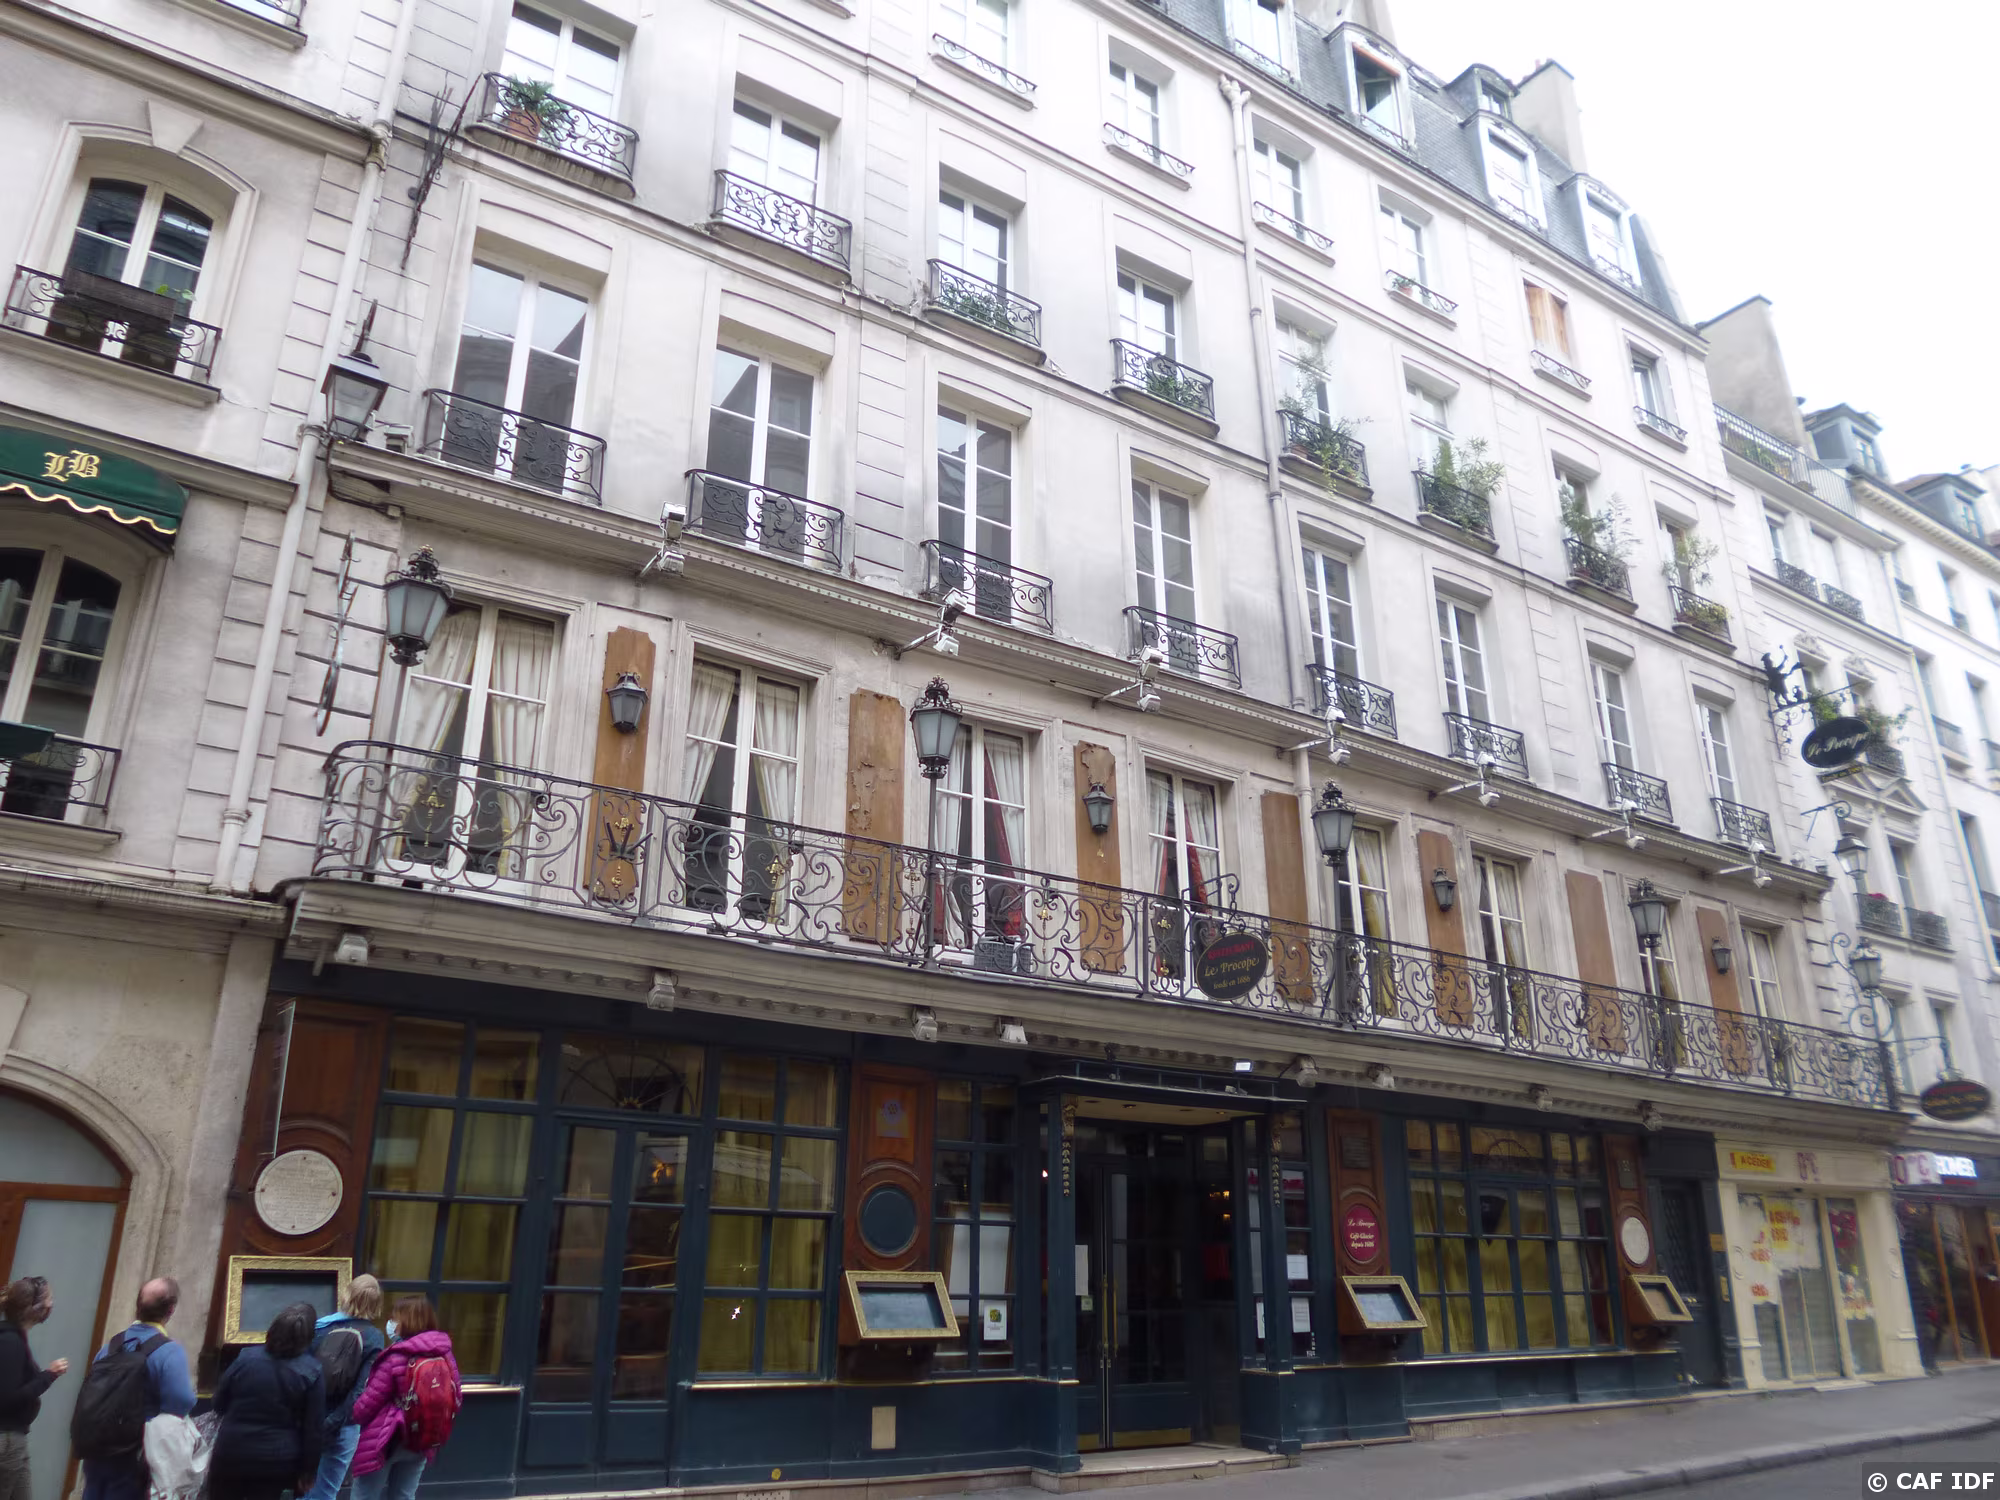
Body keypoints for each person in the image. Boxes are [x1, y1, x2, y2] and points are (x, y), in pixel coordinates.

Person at [78, 1277, 194, 1500]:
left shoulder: (110, 1346)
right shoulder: (169, 1351)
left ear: (137, 1305)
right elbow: (180, 1402)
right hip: (134, 1451)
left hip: (97, 1446)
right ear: (171, 1309)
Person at [208, 1302, 326, 1500]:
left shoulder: (245, 1358)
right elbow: (313, 1430)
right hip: (277, 1461)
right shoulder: (312, 1372)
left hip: (231, 1453)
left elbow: (218, 1403)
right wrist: (308, 1471)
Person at [347, 1298, 459, 1500]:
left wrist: (352, 1415)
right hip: (424, 1434)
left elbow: (368, 1404)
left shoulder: (395, 1356)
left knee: (365, 1495)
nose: (392, 1323)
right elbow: (456, 1396)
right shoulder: (445, 1353)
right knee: (404, 1495)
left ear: (407, 1321)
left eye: (395, 1319)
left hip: (386, 1439)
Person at [303, 1276, 385, 1500]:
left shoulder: (319, 1327)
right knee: (326, 1491)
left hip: (309, 1418)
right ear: (376, 1303)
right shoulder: (374, 1337)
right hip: (345, 1424)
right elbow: (360, 1390)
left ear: (346, 1295)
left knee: (301, 1486)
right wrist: (333, 1422)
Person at [0, 1277, 71, 1500]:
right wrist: (48, 1375)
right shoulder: (10, 1342)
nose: (52, 1304)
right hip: (7, 1440)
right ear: (35, 1308)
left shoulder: (14, 1340)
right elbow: (7, 1398)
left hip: (15, 1439)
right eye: (49, 1299)